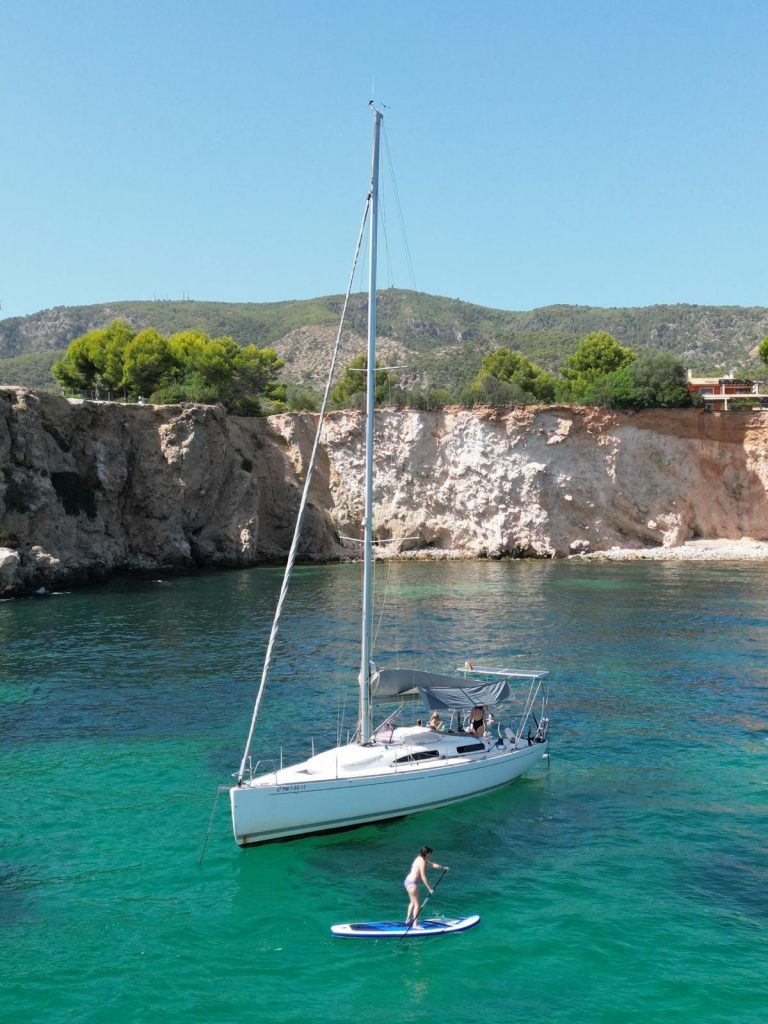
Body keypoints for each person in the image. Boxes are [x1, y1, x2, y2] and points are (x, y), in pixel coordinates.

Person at [404, 846, 449, 927]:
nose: (430, 855)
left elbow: (432, 865)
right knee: (417, 904)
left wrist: (443, 868)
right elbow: (423, 876)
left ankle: (408, 920)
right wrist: (429, 888)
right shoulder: (422, 862)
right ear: (426, 853)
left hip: (407, 881)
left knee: (412, 902)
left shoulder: (419, 858)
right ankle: (415, 925)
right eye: (430, 854)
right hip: (412, 884)